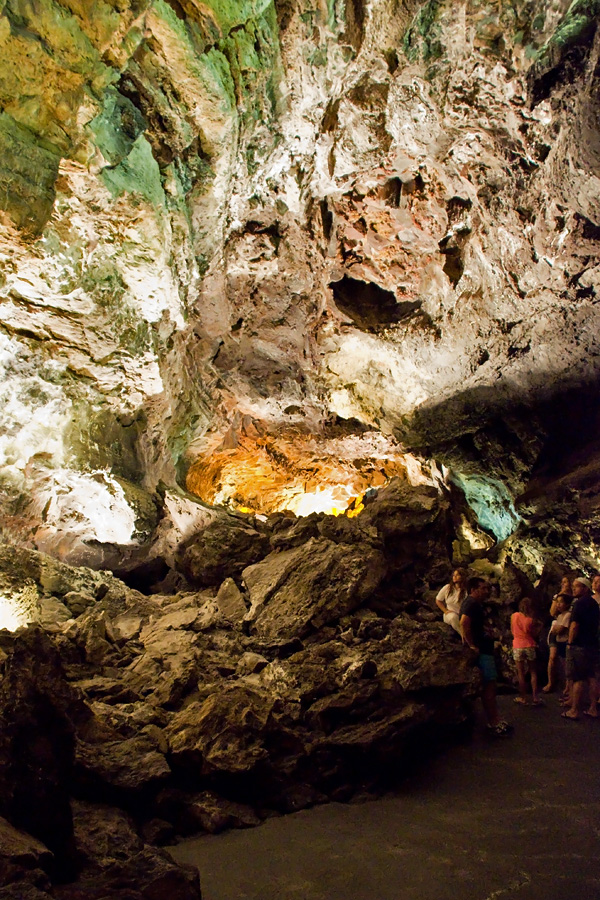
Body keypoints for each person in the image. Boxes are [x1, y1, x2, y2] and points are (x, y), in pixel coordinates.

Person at [460, 576, 512, 736]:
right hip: (482, 651)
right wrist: (471, 644)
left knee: (489, 685)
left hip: (484, 648)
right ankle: (493, 721)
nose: (487, 591)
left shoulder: (474, 604)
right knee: (489, 685)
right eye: (483, 588)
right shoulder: (471, 603)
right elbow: (463, 623)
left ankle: (493, 718)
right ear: (473, 589)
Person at [562, 577, 600, 720]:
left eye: (577, 586)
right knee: (591, 677)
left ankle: (574, 710)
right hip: (592, 644)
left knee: (577, 677)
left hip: (579, 645)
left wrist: (570, 642)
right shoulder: (594, 603)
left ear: (585, 588)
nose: (573, 589)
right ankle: (593, 708)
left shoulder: (579, 603)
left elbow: (574, 625)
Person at [511, 597, 543, 705]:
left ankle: (523, 697)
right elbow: (534, 633)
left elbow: (512, 630)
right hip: (529, 644)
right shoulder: (530, 619)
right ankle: (535, 697)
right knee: (533, 671)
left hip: (517, 645)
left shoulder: (514, 616)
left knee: (520, 672)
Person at [544, 592, 572, 695]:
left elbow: (558, 629)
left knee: (567, 666)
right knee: (561, 664)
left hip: (564, 642)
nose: (558, 605)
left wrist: (556, 629)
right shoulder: (560, 615)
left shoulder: (567, 615)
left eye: (561, 602)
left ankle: (568, 688)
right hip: (558, 641)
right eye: (557, 602)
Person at [436, 568, 468, 635]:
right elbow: (438, 600)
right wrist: (445, 611)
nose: (454, 577)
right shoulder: (447, 588)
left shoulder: (466, 590)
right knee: (453, 617)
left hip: (462, 615)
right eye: (454, 575)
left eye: (457, 575)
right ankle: (463, 635)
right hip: (450, 615)